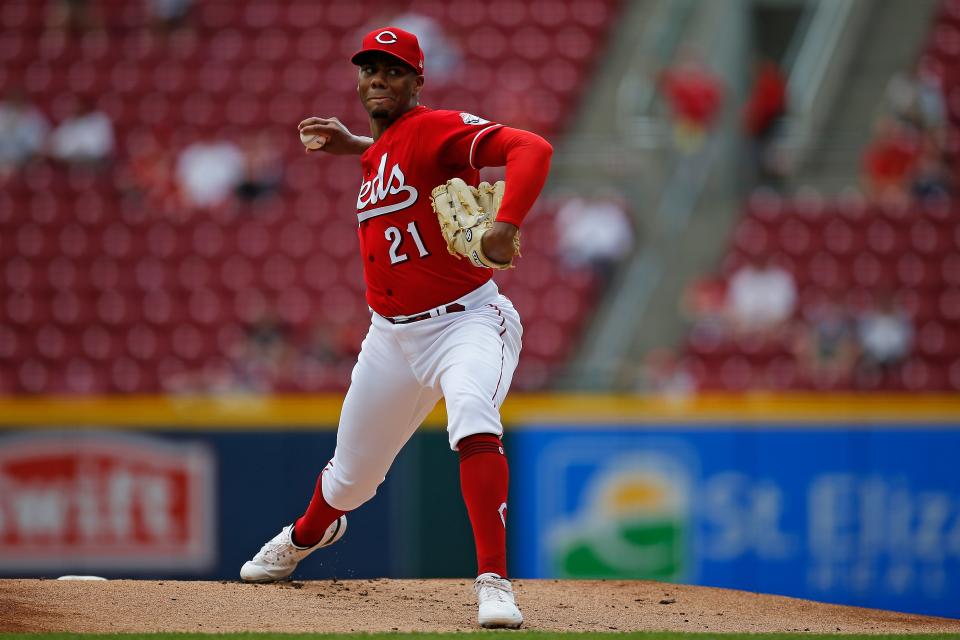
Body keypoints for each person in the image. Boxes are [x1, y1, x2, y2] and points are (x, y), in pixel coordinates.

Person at [239, 27, 552, 630]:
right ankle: (309, 534)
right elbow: (397, 156)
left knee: (471, 414)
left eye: (393, 71)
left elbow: (532, 148)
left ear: (417, 82)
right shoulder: (380, 150)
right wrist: (356, 145)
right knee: (350, 479)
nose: (378, 79)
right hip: (390, 335)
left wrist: (507, 225)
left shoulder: (436, 128)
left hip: (467, 322)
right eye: (369, 71)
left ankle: (493, 581)